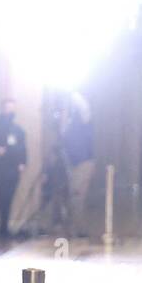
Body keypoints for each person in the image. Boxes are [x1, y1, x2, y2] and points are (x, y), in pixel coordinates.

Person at [0, 99, 26, 237]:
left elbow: (22, 149)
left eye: (11, 108)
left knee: (8, 198)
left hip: (13, 169)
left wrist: (22, 163)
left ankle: (4, 227)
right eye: (7, 108)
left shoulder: (18, 130)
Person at [62, 91, 95, 238]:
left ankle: (78, 228)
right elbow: (63, 129)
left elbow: (84, 109)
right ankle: (73, 228)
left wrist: (72, 92)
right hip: (70, 162)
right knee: (72, 196)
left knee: (78, 196)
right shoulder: (67, 124)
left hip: (84, 162)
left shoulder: (84, 120)